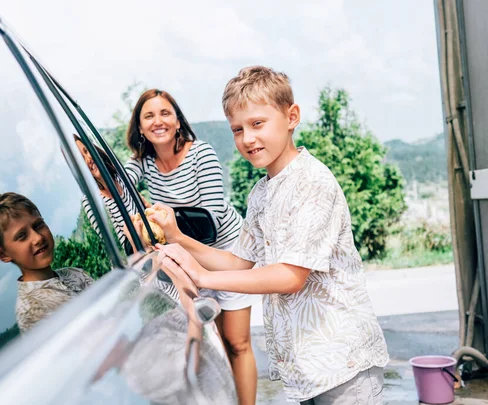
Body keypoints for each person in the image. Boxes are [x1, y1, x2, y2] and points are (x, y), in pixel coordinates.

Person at [151, 66, 389, 404]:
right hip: (305, 367)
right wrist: (178, 237)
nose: (247, 139)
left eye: (257, 124)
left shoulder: (311, 181)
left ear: (291, 117)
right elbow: (237, 261)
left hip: (342, 362)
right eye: (237, 129)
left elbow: (290, 275)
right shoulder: (261, 193)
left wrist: (203, 276)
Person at [125, 89, 259, 405]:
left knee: (236, 342)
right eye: (149, 116)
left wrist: (170, 228)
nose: (158, 121)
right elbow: (119, 185)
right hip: (185, 253)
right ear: (140, 128)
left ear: (177, 120)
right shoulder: (144, 164)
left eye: (165, 113)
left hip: (226, 250)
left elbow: (210, 221)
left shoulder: (202, 154)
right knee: (213, 347)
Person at [0, 192, 93, 333]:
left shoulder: (74, 274)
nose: (38, 238)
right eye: (22, 236)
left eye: (38, 225)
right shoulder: (31, 310)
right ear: (3, 254)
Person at [73, 135, 143, 250]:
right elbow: (116, 246)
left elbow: (138, 159)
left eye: (86, 151)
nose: (88, 159)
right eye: (81, 159)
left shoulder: (120, 175)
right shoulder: (91, 202)